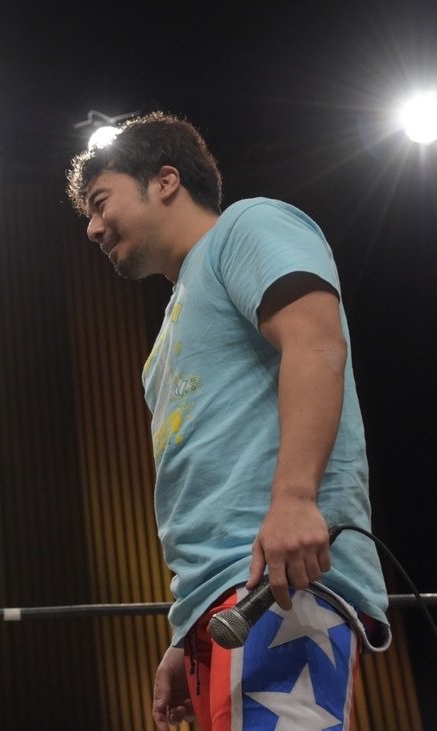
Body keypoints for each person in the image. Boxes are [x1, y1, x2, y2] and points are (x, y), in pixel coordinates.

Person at [66, 112, 390, 730]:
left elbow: (316, 342)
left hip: (280, 583)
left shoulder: (249, 224)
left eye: (101, 203)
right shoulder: (163, 341)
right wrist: (187, 625)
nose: (92, 227)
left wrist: (295, 499)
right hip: (227, 600)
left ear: (165, 181)